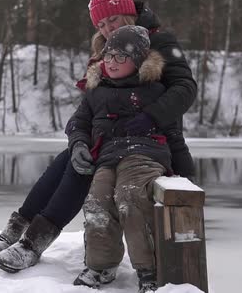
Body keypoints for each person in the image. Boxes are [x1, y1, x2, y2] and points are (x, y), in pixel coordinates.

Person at [0, 0, 196, 274]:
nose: (106, 29)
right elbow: (89, 109)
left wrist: (149, 117)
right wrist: (78, 139)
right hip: (108, 138)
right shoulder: (106, 50)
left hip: (148, 142)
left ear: (129, 13)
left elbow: (185, 88)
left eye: (112, 20)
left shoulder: (161, 42)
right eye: (101, 25)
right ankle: (13, 234)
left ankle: (33, 244)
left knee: (83, 169)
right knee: (67, 161)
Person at [67, 25, 168, 293]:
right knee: (97, 200)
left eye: (121, 57)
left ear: (137, 62)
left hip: (143, 153)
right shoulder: (96, 90)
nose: (112, 63)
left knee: (130, 197)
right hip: (108, 156)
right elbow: (78, 122)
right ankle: (101, 265)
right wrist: (78, 143)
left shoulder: (153, 90)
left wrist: (184, 167)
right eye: (108, 56)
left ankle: (149, 269)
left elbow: (173, 130)